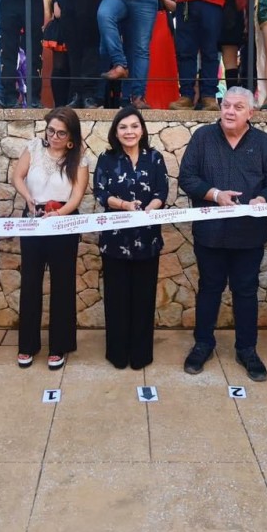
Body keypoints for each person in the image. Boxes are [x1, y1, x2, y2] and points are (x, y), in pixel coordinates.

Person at [178, 86, 267, 381]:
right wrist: (214, 194)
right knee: (209, 289)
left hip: (249, 233)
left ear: (251, 113)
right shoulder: (202, 138)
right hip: (210, 232)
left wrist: (263, 199)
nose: (229, 111)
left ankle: (247, 350)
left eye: (238, 107)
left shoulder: (263, 143)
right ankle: (203, 344)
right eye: (226, 105)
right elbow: (187, 176)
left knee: (246, 291)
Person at [11, 107, 88, 369]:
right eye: (50, 130)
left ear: (71, 137)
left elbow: (77, 194)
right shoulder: (33, 147)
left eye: (61, 133)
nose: (54, 136)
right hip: (33, 219)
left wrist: (60, 214)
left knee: (62, 283)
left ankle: (59, 345)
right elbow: (17, 177)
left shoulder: (79, 158)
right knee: (31, 281)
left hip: (63, 222)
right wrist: (28, 198)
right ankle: (28, 345)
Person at [93, 106, 168, 369]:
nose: (129, 131)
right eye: (123, 127)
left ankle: (140, 355)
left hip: (148, 239)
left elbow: (162, 190)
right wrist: (125, 206)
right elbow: (100, 193)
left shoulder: (155, 157)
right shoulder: (106, 158)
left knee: (143, 298)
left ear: (142, 129)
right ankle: (117, 354)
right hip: (115, 241)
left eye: (134, 126)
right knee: (117, 298)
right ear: (116, 131)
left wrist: (150, 209)